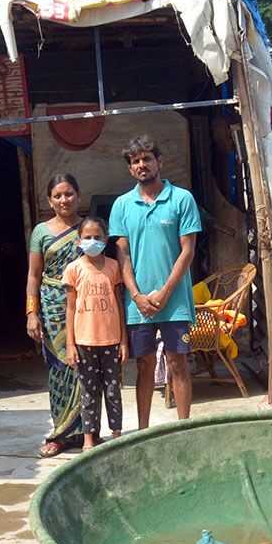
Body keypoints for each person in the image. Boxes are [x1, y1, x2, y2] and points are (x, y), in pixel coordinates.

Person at [109, 136, 202, 429]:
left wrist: (164, 293)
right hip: (138, 304)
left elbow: (187, 252)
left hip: (174, 303)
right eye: (135, 161)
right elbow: (122, 253)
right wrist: (136, 296)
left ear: (159, 162)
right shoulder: (122, 205)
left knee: (178, 364)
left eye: (147, 159)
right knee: (145, 366)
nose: (142, 165)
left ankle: (183, 429)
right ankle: (143, 431)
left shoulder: (182, 199)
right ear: (130, 169)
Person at [26, 173, 85, 457]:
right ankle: (60, 434)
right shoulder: (41, 231)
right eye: (58, 195)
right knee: (59, 371)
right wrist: (32, 313)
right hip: (52, 308)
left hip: (85, 306)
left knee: (86, 367)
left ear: (79, 195)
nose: (64, 200)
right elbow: (34, 275)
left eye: (69, 193)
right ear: (50, 201)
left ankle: (87, 433)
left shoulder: (88, 229)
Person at [64, 217, 128, 450]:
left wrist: (123, 340)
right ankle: (89, 438)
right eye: (87, 237)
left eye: (98, 237)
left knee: (113, 390)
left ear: (105, 239)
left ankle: (117, 434)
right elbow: (70, 308)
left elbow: (119, 303)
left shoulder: (113, 267)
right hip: (83, 341)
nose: (93, 241)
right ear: (79, 240)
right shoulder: (73, 269)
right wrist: (70, 345)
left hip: (111, 340)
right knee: (88, 391)